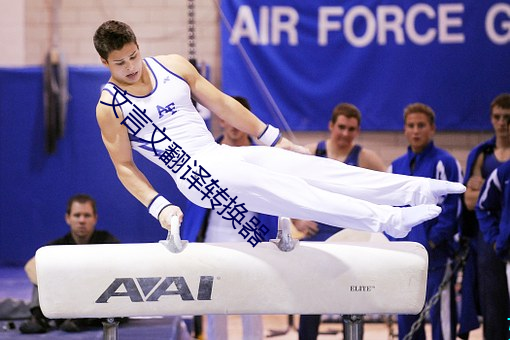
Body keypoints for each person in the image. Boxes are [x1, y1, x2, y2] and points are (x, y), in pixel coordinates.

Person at [93, 20, 464, 250]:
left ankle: (412, 189)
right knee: (296, 194)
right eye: (119, 63)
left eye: (133, 56)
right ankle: (386, 220)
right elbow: (124, 167)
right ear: (105, 63)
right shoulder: (110, 107)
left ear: (139, 46)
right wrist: (159, 206)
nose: (130, 68)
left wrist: (272, 138)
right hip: (198, 176)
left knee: (315, 169)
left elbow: (223, 103)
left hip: (221, 154)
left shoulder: (172, 65)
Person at [181, 96, 278, 340]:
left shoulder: (262, 159)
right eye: (229, 119)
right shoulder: (205, 154)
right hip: (214, 237)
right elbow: (192, 199)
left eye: (239, 120)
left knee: (253, 306)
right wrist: (187, 239)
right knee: (215, 305)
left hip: (253, 239)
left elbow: (274, 200)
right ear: (221, 120)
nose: (235, 126)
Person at [296, 102, 386, 340]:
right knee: (310, 302)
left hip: (351, 239)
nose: (346, 134)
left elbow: (389, 192)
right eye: (342, 127)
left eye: (351, 129)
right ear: (331, 126)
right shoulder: (311, 152)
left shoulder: (366, 158)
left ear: (357, 131)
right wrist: (297, 220)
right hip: (317, 235)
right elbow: (285, 189)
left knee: (354, 300)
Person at [387, 103, 462, 340]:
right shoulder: (395, 167)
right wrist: (395, 243)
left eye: (421, 125)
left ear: (432, 129)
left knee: (442, 321)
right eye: (411, 126)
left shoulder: (445, 163)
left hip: (436, 257)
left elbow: (452, 209)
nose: (416, 131)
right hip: (405, 259)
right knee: (407, 321)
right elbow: (388, 209)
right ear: (405, 130)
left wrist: (432, 241)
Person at [19, 194, 120, 334]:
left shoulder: (108, 242)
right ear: (68, 218)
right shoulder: (57, 246)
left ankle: (80, 319)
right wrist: (60, 283)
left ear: (95, 218)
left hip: (96, 301)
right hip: (65, 298)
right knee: (42, 270)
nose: (82, 220)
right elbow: (30, 266)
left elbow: (118, 270)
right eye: (77, 215)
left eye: (87, 215)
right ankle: (38, 318)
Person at [460, 93, 510, 340]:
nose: (502, 123)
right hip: (489, 238)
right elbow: (469, 202)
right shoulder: (482, 154)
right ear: (491, 119)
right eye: (497, 117)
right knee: (493, 304)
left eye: (507, 118)